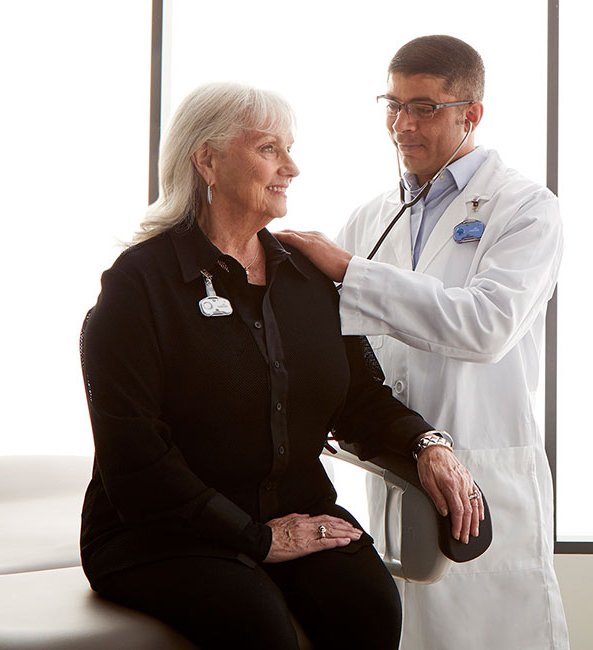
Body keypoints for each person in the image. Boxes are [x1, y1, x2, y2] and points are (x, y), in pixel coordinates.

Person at [79, 81, 482, 650]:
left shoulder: (306, 278)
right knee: (257, 625)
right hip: (162, 532)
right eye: (269, 149)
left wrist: (427, 444)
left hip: (298, 514)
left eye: (288, 149)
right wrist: (254, 538)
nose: (291, 167)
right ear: (207, 160)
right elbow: (134, 452)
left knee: (369, 605)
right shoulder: (138, 284)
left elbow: (361, 399)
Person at [275, 35, 569, 649]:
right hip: (398, 468)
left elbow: (486, 325)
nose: (403, 124)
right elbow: (349, 347)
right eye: (393, 105)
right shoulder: (374, 214)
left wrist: (349, 271)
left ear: (471, 114)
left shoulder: (524, 208)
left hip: (484, 464)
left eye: (425, 107)